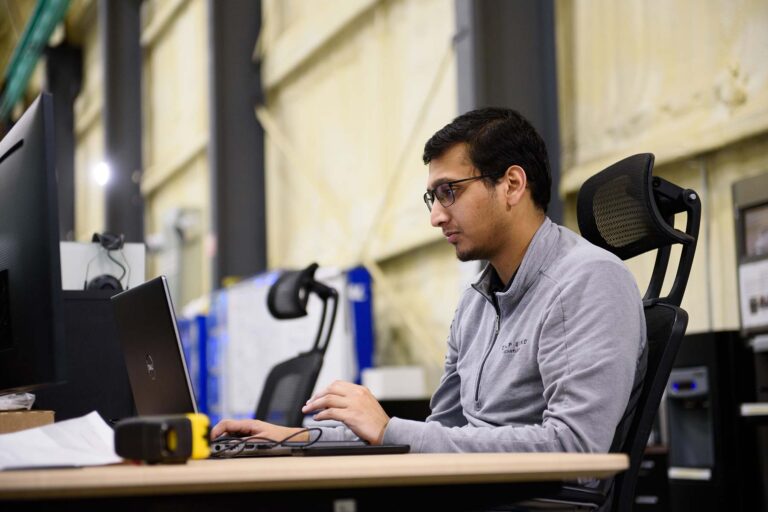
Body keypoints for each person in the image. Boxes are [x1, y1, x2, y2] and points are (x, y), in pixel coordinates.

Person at [211, 107, 647, 454]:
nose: (436, 216)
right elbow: (443, 432)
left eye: (449, 191)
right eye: (432, 197)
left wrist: (389, 430)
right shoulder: (476, 304)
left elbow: (575, 449)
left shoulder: (588, 281)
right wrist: (292, 438)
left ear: (512, 184)